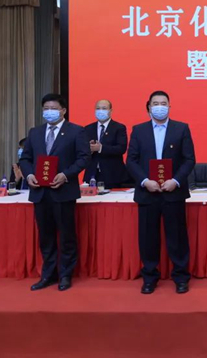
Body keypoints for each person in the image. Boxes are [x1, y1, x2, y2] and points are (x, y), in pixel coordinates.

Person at [126, 91, 196, 295]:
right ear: (149, 107)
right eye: (155, 103)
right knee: (148, 238)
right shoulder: (138, 130)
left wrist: (176, 181)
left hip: (173, 192)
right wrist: (145, 181)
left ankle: (181, 277)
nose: (159, 107)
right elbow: (131, 160)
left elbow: (189, 159)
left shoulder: (181, 128)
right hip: (148, 193)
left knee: (177, 237)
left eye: (163, 103)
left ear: (169, 107)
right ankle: (149, 277)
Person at [19, 93, 90, 292]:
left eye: (53, 108)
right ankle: (48, 275)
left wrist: (65, 175)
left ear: (63, 110)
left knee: (67, 235)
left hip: (63, 191)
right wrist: (29, 174)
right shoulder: (35, 133)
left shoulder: (76, 131)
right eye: (46, 109)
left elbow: (84, 158)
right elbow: (25, 159)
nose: (49, 112)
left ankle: (65, 275)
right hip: (40, 192)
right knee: (46, 236)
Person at [83, 99, 129, 188]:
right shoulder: (88, 128)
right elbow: (82, 151)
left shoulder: (119, 128)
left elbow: (121, 148)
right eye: (98, 108)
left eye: (104, 108)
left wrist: (101, 148)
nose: (100, 111)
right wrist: (89, 149)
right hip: (92, 174)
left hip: (113, 174)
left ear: (110, 111)